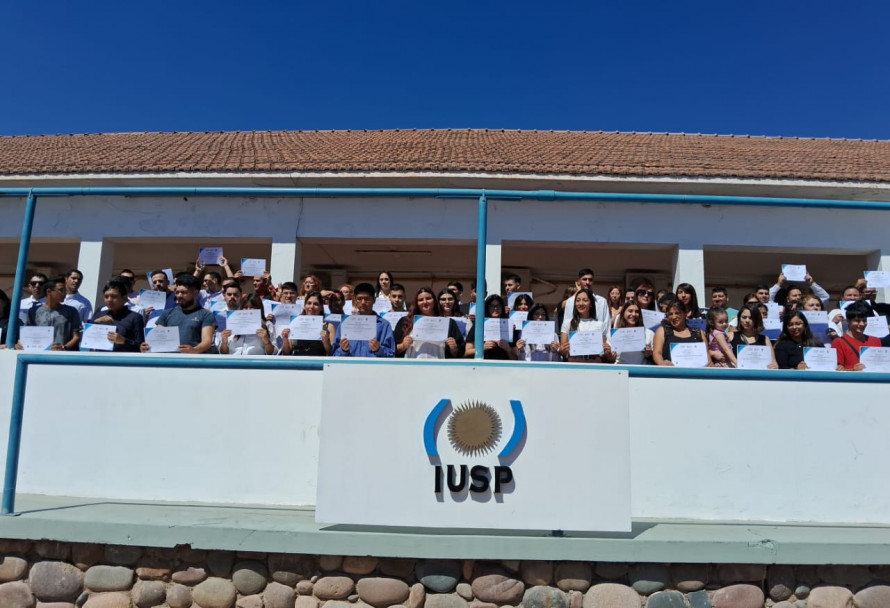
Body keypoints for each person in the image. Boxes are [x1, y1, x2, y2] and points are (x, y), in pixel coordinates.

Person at [141, 274, 216, 354]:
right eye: (177, 292)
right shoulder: (167, 313)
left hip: (193, 361)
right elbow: (158, 336)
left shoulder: (206, 315)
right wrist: (147, 347)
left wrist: (194, 350)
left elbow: (207, 341)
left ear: (196, 293)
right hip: (170, 361)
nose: (179, 296)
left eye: (184, 293)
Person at [394, 288, 465, 359]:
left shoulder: (448, 323)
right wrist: (403, 346)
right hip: (411, 367)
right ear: (416, 303)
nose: (425, 302)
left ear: (434, 301)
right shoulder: (405, 322)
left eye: (428, 298)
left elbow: (459, 353)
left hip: (440, 367)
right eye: (421, 300)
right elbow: (392, 349)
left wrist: (453, 349)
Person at [18, 276, 82, 351]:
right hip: (39, 356)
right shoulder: (34, 311)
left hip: (64, 356)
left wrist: (63, 347)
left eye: (65, 291)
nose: (64, 294)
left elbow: (76, 336)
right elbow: (28, 334)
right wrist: (20, 343)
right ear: (49, 291)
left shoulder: (71, 311)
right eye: (61, 290)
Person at [333, 282, 395, 358]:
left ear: (374, 300)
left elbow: (392, 354)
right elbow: (334, 354)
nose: (363, 303)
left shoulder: (384, 325)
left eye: (367, 299)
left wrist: (379, 349)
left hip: (375, 368)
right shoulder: (345, 323)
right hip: (351, 367)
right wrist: (343, 350)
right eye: (359, 299)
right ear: (355, 300)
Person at [88, 278, 145, 352]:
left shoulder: (135, 318)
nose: (109, 300)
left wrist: (124, 341)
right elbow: (87, 342)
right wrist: (94, 323)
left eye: (113, 296)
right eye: (106, 296)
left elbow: (140, 347)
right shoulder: (99, 315)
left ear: (124, 298)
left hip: (123, 361)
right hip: (100, 360)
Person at [559, 288, 613, 364]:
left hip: (595, 362)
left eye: (585, 300)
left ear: (591, 304)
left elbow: (602, 353)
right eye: (578, 300)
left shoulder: (600, 324)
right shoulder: (567, 323)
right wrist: (563, 350)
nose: (581, 303)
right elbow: (563, 352)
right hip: (574, 363)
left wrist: (606, 350)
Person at [652, 301, 707, 367]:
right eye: (670, 314)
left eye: (677, 313)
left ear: (685, 314)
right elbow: (657, 353)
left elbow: (707, 358)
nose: (673, 317)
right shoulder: (662, 331)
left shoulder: (698, 333)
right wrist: (661, 362)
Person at [280, 291, 334, 356]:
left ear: (321, 308)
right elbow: (286, 353)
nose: (311, 306)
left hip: (318, 363)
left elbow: (332, 353)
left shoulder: (329, 327)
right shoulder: (295, 323)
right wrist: (285, 339)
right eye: (309, 303)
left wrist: (326, 341)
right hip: (297, 363)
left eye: (316, 304)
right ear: (305, 306)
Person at [832, 301, 882, 371]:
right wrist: (853, 370)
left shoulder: (876, 341)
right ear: (848, 321)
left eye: (864, 321)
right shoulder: (839, 342)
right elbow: (838, 370)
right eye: (857, 321)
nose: (862, 324)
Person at [465, 294, 516, 360]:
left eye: (498, 306)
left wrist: (508, 349)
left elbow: (515, 358)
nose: (495, 309)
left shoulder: (509, 326)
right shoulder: (479, 325)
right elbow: (467, 352)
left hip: (504, 366)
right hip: (483, 365)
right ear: (487, 308)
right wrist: (482, 349)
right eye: (492, 306)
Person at [730, 303, 778, 369]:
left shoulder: (765, 339)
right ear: (739, 319)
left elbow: (774, 363)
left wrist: (773, 367)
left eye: (751, 318)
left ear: (756, 319)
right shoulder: (731, 336)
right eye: (744, 317)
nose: (747, 320)